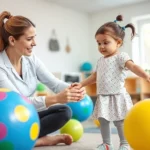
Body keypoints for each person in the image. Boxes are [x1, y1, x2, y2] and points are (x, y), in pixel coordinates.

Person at [0, 11, 86, 147]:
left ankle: (29, 140)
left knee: (64, 111)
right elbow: (19, 104)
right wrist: (56, 98)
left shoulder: (31, 59)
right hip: (7, 120)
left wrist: (72, 89)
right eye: (29, 39)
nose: (35, 43)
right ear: (12, 40)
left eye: (34, 38)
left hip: (26, 116)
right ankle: (40, 141)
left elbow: (54, 83)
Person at [72, 15, 150, 150]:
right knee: (103, 121)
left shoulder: (121, 57)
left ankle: (124, 144)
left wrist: (145, 75)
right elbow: (94, 77)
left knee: (120, 122)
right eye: (98, 43)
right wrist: (81, 84)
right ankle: (107, 143)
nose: (101, 46)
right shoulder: (101, 60)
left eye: (105, 42)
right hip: (103, 96)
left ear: (118, 43)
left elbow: (133, 67)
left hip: (117, 95)